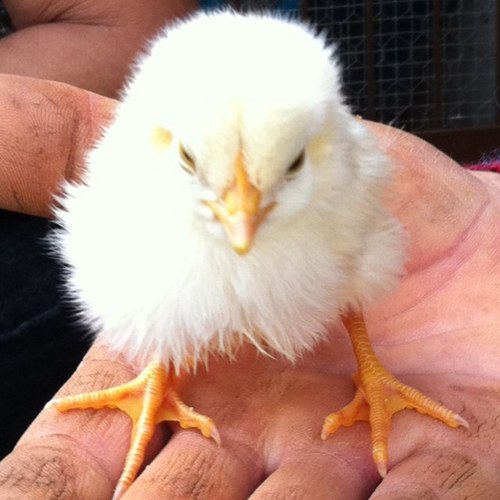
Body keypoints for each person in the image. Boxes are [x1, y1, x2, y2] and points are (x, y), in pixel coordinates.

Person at [0, 3, 500, 499]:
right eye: (193, 161)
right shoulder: (129, 166)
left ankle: (374, 373)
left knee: (348, 255)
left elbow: (360, 267)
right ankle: (156, 374)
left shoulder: (340, 163)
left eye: (288, 166)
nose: (242, 220)